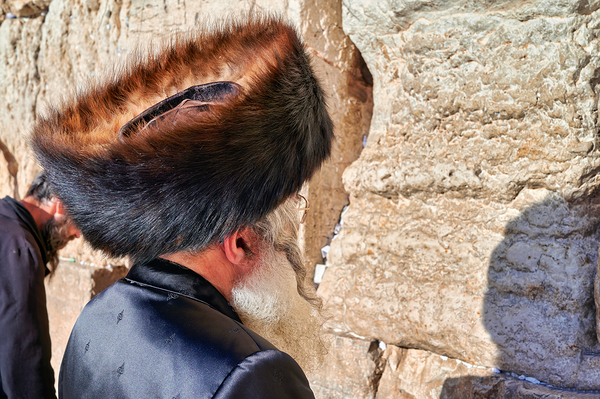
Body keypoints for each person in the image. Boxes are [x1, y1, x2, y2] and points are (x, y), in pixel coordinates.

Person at [31, 15, 334, 398]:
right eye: (292, 215)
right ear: (239, 242)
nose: (290, 249)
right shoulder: (252, 372)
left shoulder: (93, 318)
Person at [0, 172, 80, 399]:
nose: (77, 234)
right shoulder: (21, 248)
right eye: (79, 221)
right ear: (61, 204)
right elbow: (23, 360)